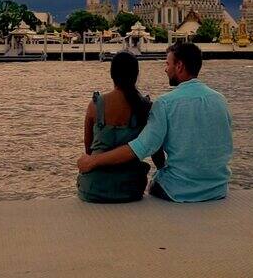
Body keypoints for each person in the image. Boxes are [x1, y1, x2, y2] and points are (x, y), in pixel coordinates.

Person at [78, 42, 233, 203]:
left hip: (179, 191)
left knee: (157, 181)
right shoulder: (220, 100)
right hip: (217, 188)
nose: (166, 69)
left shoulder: (166, 103)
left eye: (168, 63)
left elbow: (141, 147)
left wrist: (92, 161)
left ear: (179, 66)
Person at [77, 51, 164, 203]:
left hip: (94, 188)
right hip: (130, 189)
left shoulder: (96, 105)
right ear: (136, 75)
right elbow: (157, 153)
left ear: (112, 74)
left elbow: (89, 149)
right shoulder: (145, 107)